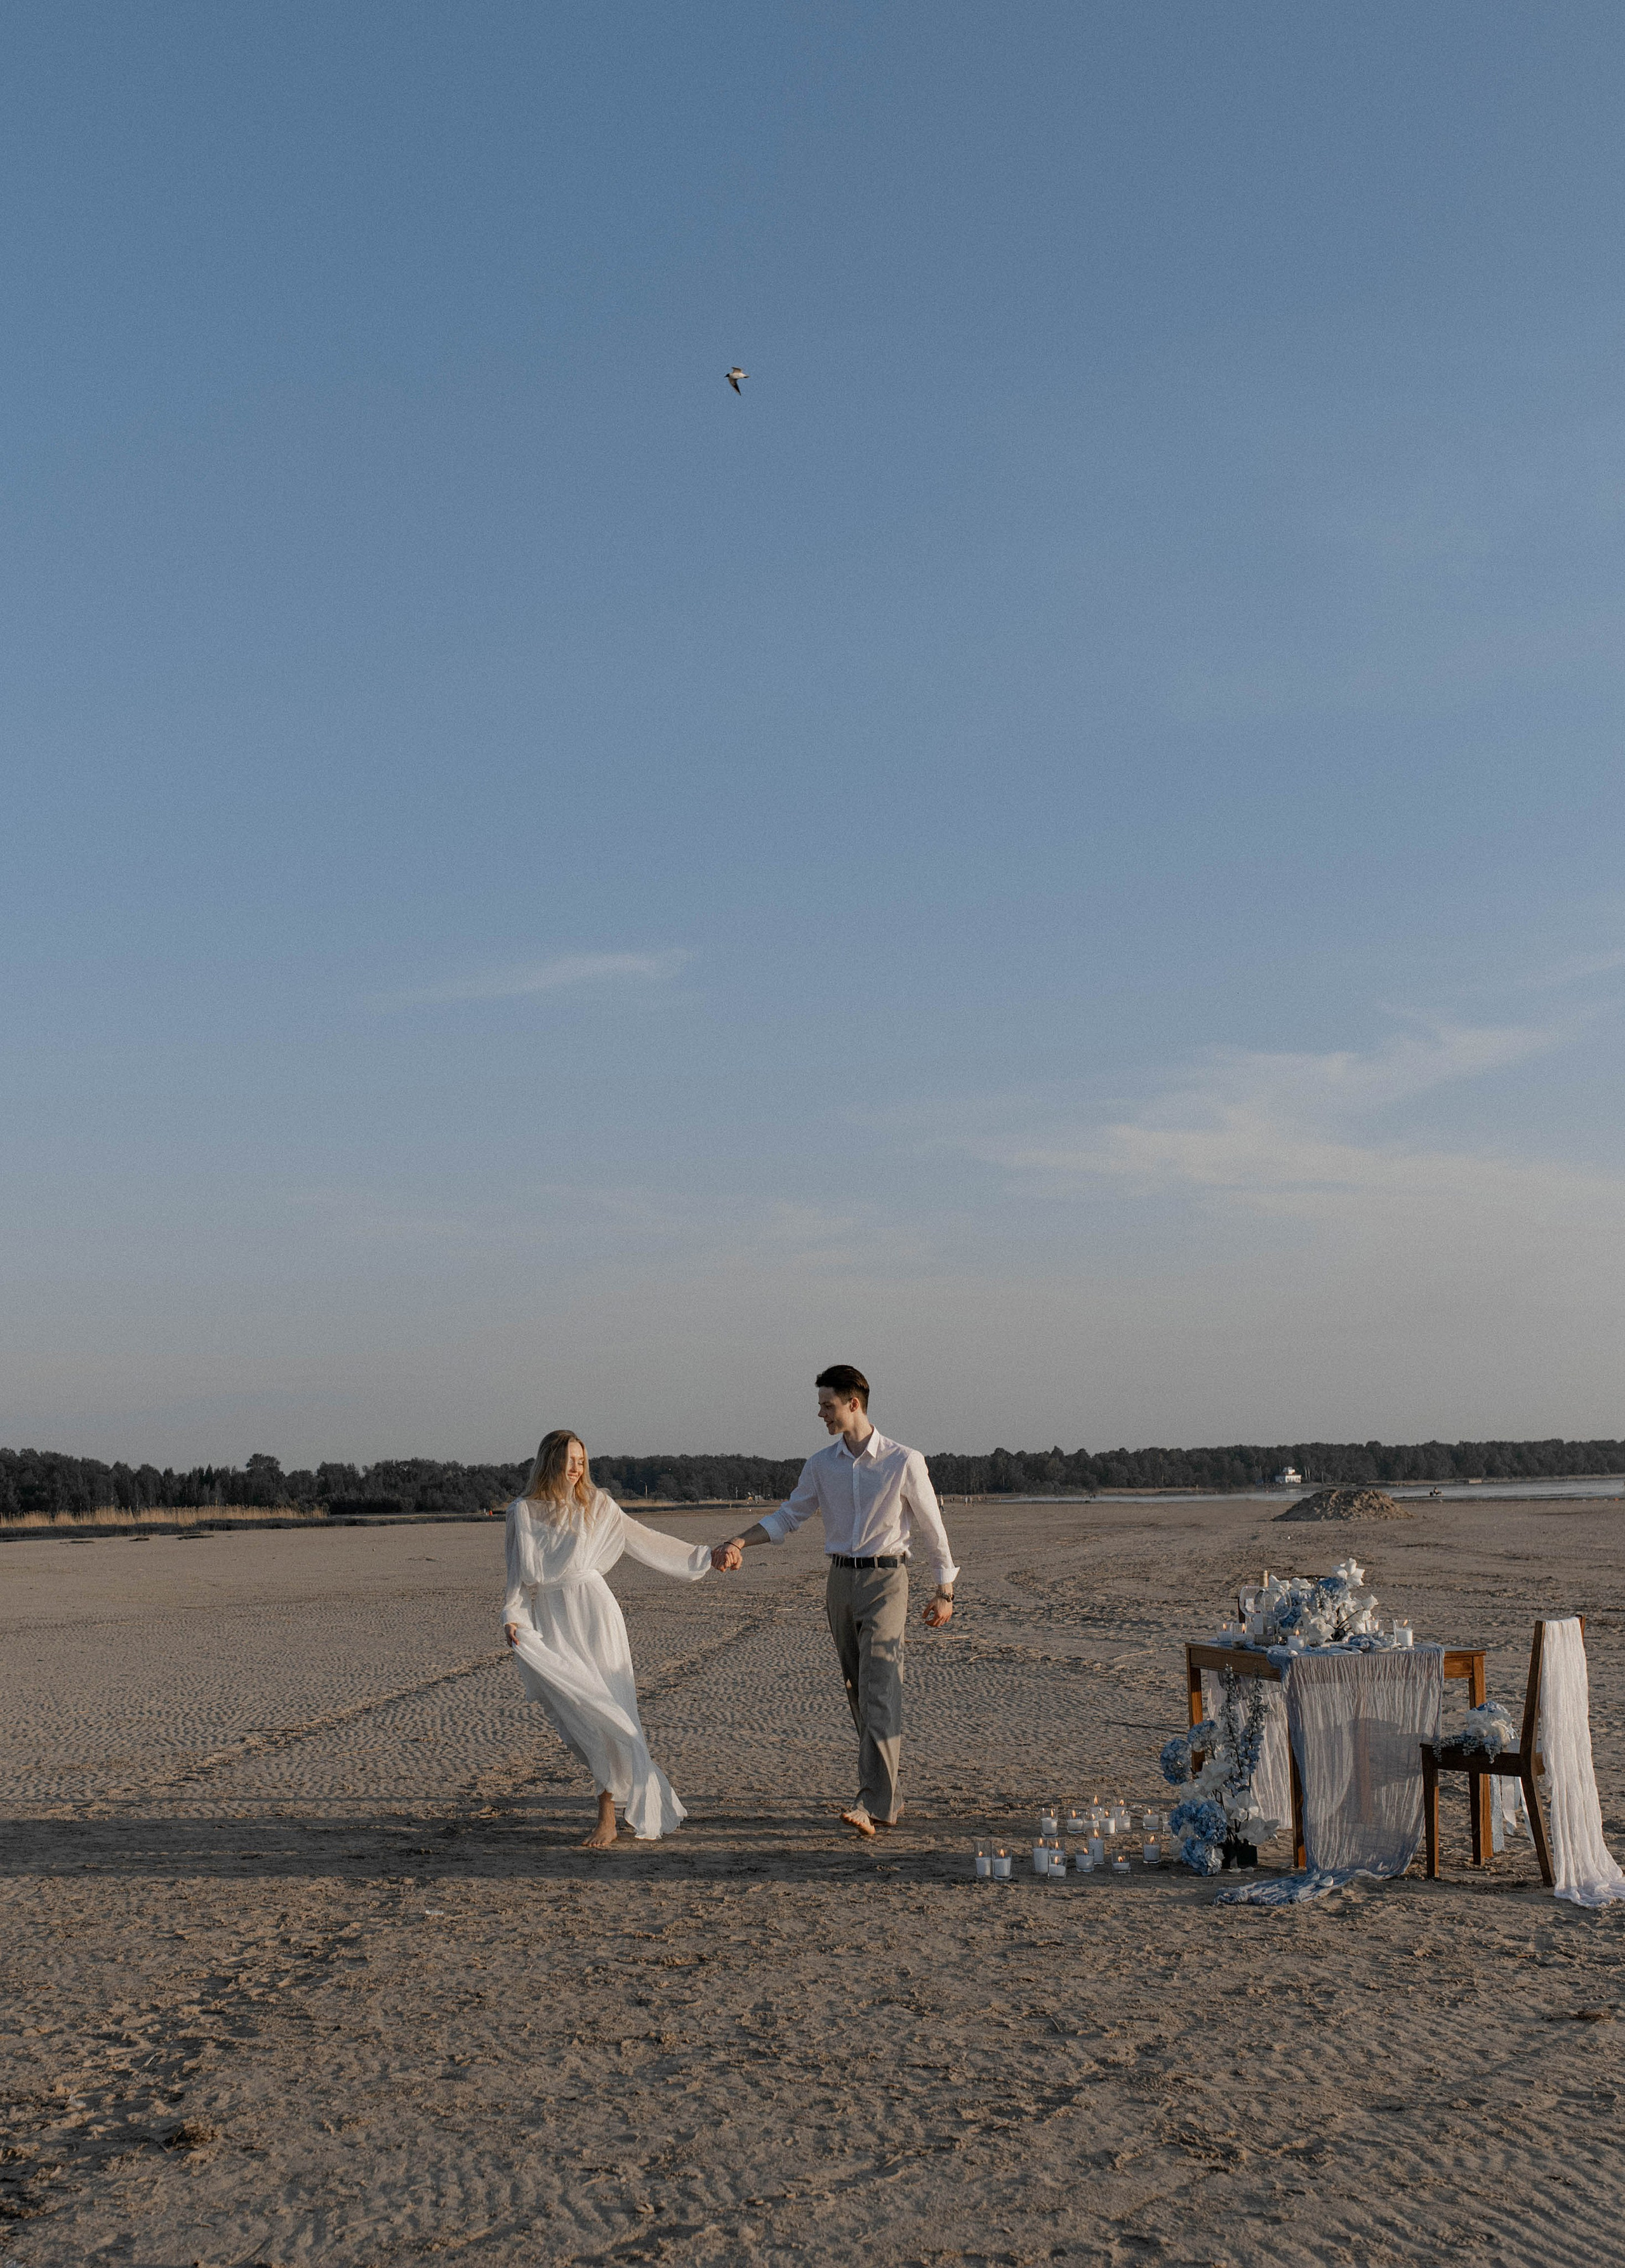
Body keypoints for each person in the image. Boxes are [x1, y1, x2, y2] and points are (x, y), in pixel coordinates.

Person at [710, 1365, 957, 1838]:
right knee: (857, 1690)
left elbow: (932, 1529)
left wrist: (945, 1591)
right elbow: (789, 1517)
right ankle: (890, 1793)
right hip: (839, 1582)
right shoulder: (821, 1464)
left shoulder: (904, 1460)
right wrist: (739, 1542)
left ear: (854, 1404)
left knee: (881, 1687)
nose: (821, 1413)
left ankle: (872, 1804)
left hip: (887, 1581)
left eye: (827, 1405)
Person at [502, 1428, 711, 1848]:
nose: (577, 1469)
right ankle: (618, 1804)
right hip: (550, 1621)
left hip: (596, 1615)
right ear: (551, 1463)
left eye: (582, 1461)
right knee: (580, 1712)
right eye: (569, 1461)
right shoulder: (522, 1512)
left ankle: (608, 1817)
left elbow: (646, 1541)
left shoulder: (597, 1505)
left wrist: (704, 1558)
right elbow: (516, 1580)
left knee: (612, 1710)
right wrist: (512, 1616)